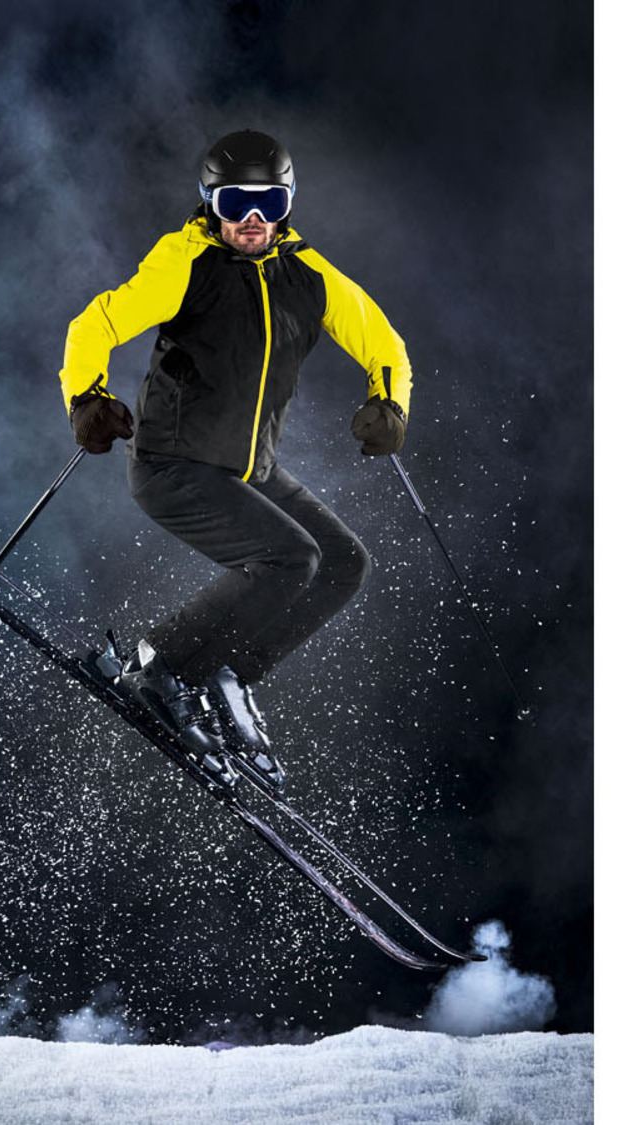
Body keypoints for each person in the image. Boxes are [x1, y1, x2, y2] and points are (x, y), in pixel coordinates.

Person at [58, 129, 412, 788]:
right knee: (289, 558)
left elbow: (383, 341)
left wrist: (388, 404)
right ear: (210, 202)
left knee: (344, 564)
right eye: (235, 202)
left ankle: (227, 675)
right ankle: (160, 667)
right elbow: (96, 325)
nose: (252, 219)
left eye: (268, 202)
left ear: (287, 204)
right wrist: (87, 398)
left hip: (250, 469)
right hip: (171, 463)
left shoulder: (309, 275)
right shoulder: (185, 260)